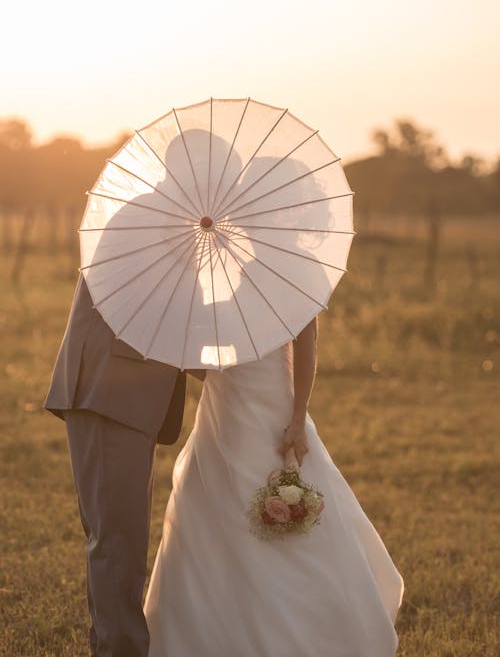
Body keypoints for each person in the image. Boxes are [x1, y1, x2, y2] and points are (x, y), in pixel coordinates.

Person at [143, 315, 405, 656]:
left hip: (273, 413)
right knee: (209, 517)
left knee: (291, 525)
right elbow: (202, 365)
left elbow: (306, 342)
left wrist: (298, 418)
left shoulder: (285, 278)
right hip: (221, 416)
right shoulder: (215, 289)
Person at [43, 271, 203, 657]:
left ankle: (112, 646)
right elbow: (164, 313)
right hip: (108, 391)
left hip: (125, 397)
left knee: (121, 542)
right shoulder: (140, 223)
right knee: (116, 544)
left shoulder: (169, 224)